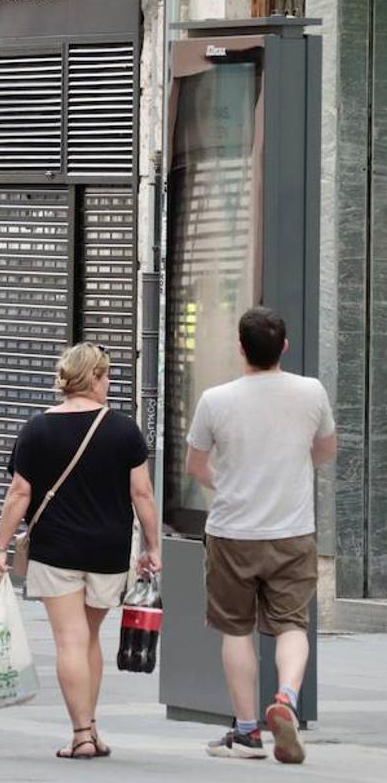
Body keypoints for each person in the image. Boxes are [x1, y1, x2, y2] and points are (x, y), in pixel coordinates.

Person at [0, 342, 162, 760]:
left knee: (70, 640)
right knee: (89, 639)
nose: (109, 383)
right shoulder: (123, 430)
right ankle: (92, 728)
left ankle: (81, 733)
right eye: (107, 376)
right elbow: (142, 493)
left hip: (56, 551)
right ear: (96, 378)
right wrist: (153, 547)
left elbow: (19, 493)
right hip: (108, 552)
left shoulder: (37, 429)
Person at [186, 306, 336, 764]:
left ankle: (248, 731)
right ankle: (286, 697)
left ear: (240, 348)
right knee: (292, 623)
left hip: (233, 531)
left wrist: (230, 483)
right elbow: (326, 450)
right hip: (292, 530)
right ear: (284, 347)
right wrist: (287, 474)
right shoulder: (311, 392)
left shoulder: (215, 399)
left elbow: (196, 466)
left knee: (236, 630)